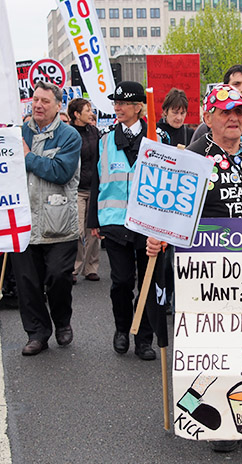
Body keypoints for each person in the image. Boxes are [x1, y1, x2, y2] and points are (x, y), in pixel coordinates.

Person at [147, 84, 242, 452]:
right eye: (226, 112)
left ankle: (241, 413)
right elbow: (168, 214)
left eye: (241, 112)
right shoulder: (194, 156)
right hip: (204, 269)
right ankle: (207, 412)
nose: (234, 118)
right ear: (209, 117)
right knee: (212, 341)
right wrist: (157, 238)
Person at [87, 81, 157, 361]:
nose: (117, 107)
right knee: (121, 282)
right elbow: (97, 182)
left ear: (139, 107)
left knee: (148, 283)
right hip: (115, 223)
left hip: (149, 224)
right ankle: (121, 329)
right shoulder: (105, 141)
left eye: (124, 103)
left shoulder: (156, 139)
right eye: (116, 103)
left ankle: (144, 338)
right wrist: (94, 219)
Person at [15, 81, 82, 356]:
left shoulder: (69, 136)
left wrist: (28, 157)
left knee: (58, 277)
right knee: (27, 283)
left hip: (59, 223)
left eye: (45, 101)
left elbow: (60, 172)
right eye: (35, 100)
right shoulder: (18, 132)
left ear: (58, 106)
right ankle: (37, 334)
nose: (38, 105)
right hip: (24, 221)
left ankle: (62, 320)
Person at [68, 98, 101, 284]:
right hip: (77, 188)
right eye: (87, 110)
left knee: (94, 231)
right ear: (76, 114)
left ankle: (91, 267)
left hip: (94, 187)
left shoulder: (94, 131)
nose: (91, 113)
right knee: (78, 229)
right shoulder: (70, 134)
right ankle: (74, 267)